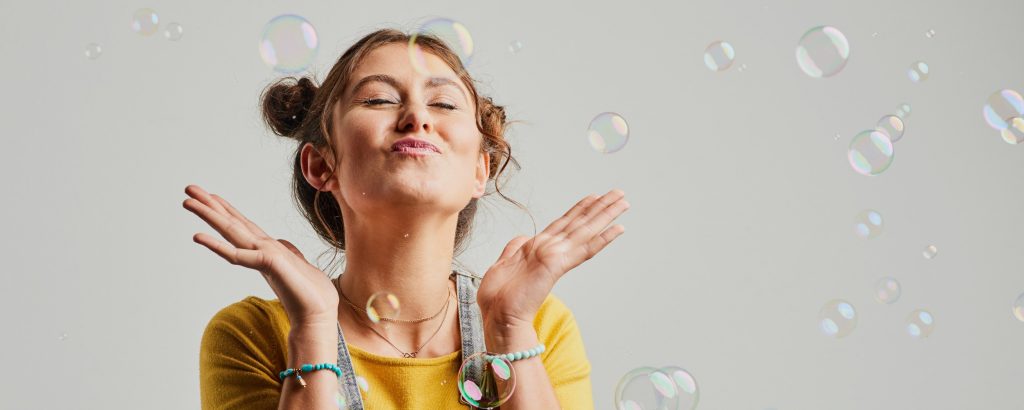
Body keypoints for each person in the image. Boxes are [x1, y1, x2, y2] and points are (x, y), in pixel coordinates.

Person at [186, 27, 629, 409]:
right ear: (321, 166)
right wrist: (314, 327)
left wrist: (510, 329)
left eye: (445, 104)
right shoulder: (253, 334)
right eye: (379, 99)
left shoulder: (538, 325)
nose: (417, 117)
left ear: (480, 170)